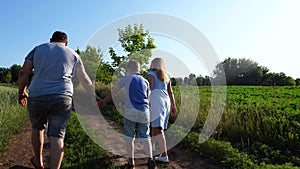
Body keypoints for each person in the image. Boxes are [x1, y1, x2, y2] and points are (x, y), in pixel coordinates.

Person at [18, 31, 101, 169]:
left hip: (37, 95)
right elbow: (85, 79)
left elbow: (23, 72)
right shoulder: (73, 54)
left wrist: (22, 92)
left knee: (37, 128)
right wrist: (93, 95)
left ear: (51, 40)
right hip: (62, 96)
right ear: (66, 43)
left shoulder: (38, 49)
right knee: (57, 136)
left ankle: (38, 161)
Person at [99, 60, 155, 169]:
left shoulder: (126, 78)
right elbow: (148, 97)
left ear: (128, 69)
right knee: (145, 136)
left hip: (131, 111)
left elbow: (114, 92)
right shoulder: (145, 81)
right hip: (145, 111)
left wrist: (103, 102)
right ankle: (150, 158)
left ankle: (131, 163)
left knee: (129, 137)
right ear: (139, 69)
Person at [148, 57, 176, 163]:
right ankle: (151, 148)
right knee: (156, 126)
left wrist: (145, 101)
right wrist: (173, 105)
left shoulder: (151, 74)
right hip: (166, 101)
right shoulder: (166, 76)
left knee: (158, 128)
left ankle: (164, 155)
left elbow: (149, 89)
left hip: (156, 100)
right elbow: (170, 92)